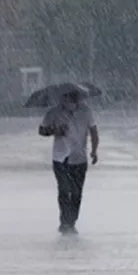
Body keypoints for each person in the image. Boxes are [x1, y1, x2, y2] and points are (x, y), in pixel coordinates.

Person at [38, 90, 99, 234]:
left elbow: (94, 131)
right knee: (64, 190)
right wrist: (54, 130)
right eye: (67, 98)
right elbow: (42, 130)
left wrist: (94, 151)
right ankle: (65, 221)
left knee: (77, 192)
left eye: (73, 99)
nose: (70, 102)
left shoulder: (86, 111)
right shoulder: (53, 112)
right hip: (60, 157)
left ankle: (71, 221)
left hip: (79, 157)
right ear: (62, 98)